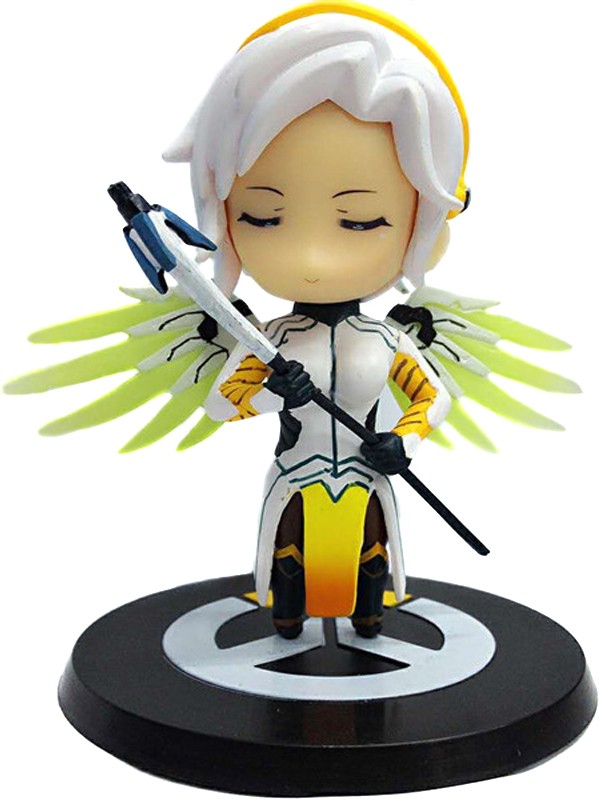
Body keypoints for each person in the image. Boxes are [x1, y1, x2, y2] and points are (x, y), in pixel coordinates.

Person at [164, 3, 466, 637]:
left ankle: (367, 611)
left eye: (359, 221)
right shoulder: (266, 341)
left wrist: (404, 442)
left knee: (372, 561)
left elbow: (433, 397)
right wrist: (276, 394)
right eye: (263, 217)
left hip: (366, 473)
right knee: (288, 565)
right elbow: (220, 406)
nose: (310, 257)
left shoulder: (384, 337)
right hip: (295, 477)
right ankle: (289, 610)